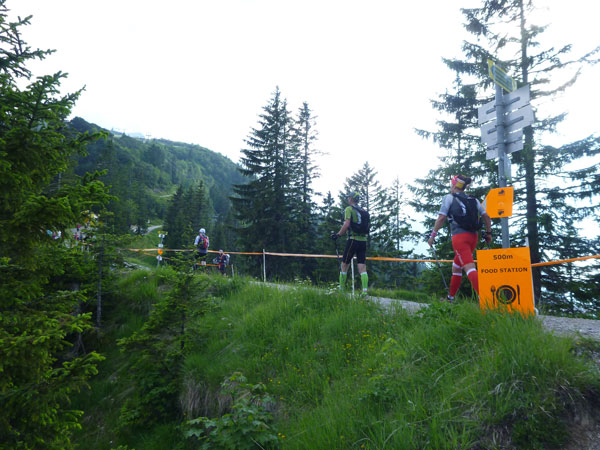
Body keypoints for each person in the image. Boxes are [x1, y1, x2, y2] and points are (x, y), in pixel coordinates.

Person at [428, 175, 492, 302]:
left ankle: (487, 300)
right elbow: (487, 217)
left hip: (459, 238)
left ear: (454, 185)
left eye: (451, 184)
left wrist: (432, 235)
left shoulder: (449, 198)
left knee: (469, 268)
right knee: (456, 266)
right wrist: (488, 233)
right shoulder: (473, 200)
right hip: (473, 237)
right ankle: (450, 298)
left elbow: (441, 218)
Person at [331, 192, 369, 295]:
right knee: (362, 266)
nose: (348, 199)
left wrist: (338, 235)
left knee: (344, 264)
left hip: (353, 239)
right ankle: (365, 292)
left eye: (349, 197)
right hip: (363, 241)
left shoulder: (349, 209)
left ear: (351, 198)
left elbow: (347, 224)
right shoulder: (363, 210)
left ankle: (341, 290)